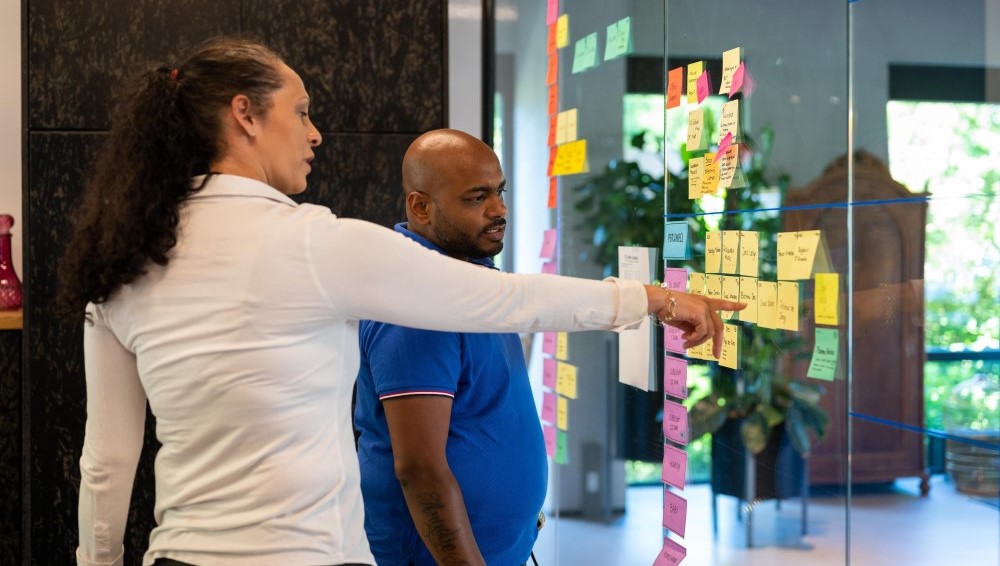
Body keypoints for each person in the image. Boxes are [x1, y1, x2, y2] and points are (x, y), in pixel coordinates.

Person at [57, 37, 742, 566]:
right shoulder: (311, 244)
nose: (316, 133)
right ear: (245, 115)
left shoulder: (122, 261)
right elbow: (505, 299)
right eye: (300, 112)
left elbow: (107, 463)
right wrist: (650, 299)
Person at [353, 128, 547, 566]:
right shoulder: (415, 301)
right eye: (477, 198)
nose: (500, 210)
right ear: (420, 206)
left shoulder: (472, 278)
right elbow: (420, 470)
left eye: (499, 192)